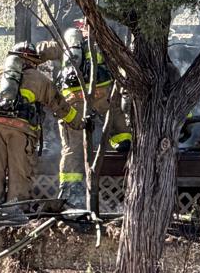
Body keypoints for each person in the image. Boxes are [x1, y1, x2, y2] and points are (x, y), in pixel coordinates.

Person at [0, 42, 80, 216]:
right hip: (21, 130)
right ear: (30, 60)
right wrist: (79, 122)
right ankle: (15, 211)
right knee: (19, 171)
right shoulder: (39, 79)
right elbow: (60, 105)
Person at [36, 20, 131, 209]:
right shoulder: (104, 42)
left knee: (73, 145)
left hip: (74, 97)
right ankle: (124, 150)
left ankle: (71, 191)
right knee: (119, 124)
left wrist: (23, 57)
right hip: (102, 93)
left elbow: (40, 51)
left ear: (79, 29)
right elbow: (123, 62)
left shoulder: (67, 43)